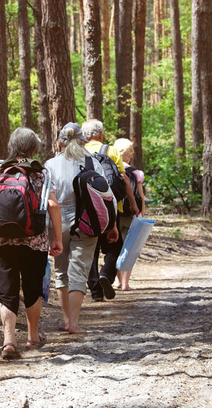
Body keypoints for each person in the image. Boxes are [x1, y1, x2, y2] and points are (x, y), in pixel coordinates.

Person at [0, 128, 63, 360]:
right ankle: (32, 337)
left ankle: (9, 341)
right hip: (35, 240)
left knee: (7, 291)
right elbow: (52, 205)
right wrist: (57, 239)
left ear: (12, 146)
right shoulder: (40, 173)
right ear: (34, 148)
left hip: (1, 239)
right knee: (32, 289)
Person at [44, 122, 119, 333]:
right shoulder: (92, 163)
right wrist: (111, 225)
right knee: (79, 271)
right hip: (88, 224)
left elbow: (45, 200)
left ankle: (66, 319)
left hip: (57, 225)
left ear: (60, 142)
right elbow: (108, 197)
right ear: (82, 142)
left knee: (62, 271)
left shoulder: (49, 165)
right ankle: (73, 324)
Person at [82, 119, 140, 302]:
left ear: (85, 135)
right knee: (115, 245)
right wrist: (133, 203)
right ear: (100, 134)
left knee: (91, 248)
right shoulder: (110, 150)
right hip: (110, 207)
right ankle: (106, 275)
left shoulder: (79, 151)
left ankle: (95, 291)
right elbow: (123, 178)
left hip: (85, 210)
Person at [114, 138, 147, 291]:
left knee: (115, 246)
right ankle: (126, 283)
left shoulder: (111, 169)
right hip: (131, 214)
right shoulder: (136, 173)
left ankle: (117, 281)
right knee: (130, 247)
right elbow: (141, 196)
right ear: (129, 155)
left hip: (115, 215)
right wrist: (142, 214)